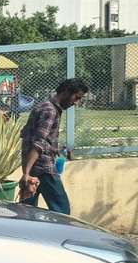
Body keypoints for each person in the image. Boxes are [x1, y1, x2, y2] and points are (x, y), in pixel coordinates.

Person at [19, 78, 88, 214]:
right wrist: (26, 173)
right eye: (76, 97)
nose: (76, 102)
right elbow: (38, 142)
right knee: (62, 210)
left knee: (27, 211)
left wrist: (55, 148)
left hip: (33, 168)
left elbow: (26, 133)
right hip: (43, 169)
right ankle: (61, 235)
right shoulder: (50, 111)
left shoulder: (43, 107)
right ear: (67, 91)